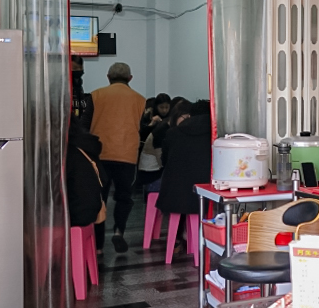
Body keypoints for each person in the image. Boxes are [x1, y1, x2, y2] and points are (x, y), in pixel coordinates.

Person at [89, 62, 146, 253]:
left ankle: (97, 246)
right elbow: (142, 127)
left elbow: (85, 125)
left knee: (99, 199)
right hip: (127, 155)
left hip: (100, 155)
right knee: (124, 197)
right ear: (130, 79)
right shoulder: (140, 100)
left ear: (108, 77)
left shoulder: (96, 96)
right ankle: (118, 232)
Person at [157, 100, 212, 256]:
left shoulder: (173, 132)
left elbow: (165, 160)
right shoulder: (215, 134)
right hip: (206, 195)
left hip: (174, 194)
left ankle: (177, 242)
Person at [66, 123, 106, 230]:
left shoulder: (65, 151)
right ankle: (97, 247)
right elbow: (103, 179)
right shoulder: (86, 146)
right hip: (93, 210)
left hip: (74, 215)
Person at [71, 55, 93, 130]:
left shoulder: (79, 84)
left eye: (80, 68)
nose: (79, 71)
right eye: (75, 68)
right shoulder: (62, 85)